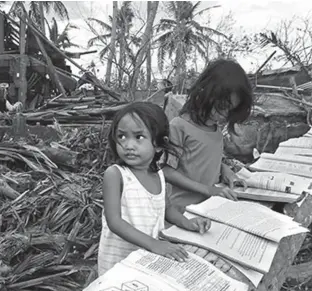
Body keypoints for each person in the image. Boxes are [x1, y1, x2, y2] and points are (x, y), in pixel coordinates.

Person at [98, 102, 211, 277]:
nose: (128, 145)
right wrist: (154, 244)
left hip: (148, 260)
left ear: (159, 144)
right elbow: (115, 222)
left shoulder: (159, 174)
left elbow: (167, 210)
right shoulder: (116, 175)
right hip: (118, 264)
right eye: (121, 136)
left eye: (139, 137)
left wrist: (188, 223)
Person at [163, 58, 253, 226]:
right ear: (205, 93)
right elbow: (167, 171)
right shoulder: (179, 126)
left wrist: (226, 171)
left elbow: (208, 158)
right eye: (221, 106)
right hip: (182, 214)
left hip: (210, 210)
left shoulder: (216, 131)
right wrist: (209, 190)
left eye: (230, 110)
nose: (224, 115)